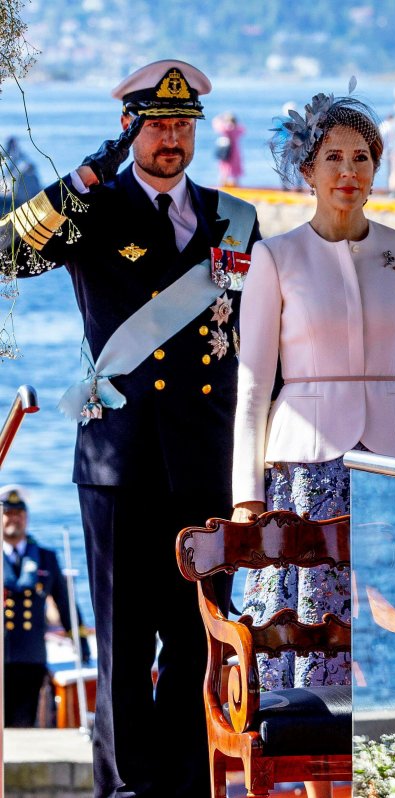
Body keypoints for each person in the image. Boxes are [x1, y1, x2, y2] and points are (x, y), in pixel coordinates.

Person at [0, 59, 260, 796]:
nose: (171, 139)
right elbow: (7, 253)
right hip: (119, 459)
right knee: (120, 637)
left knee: (196, 633)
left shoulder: (231, 219)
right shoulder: (96, 210)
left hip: (206, 456)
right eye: (157, 125)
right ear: (129, 130)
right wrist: (84, 179)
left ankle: (184, 781)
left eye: (182, 126)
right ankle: (123, 789)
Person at [232, 89, 395, 798]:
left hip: (394, 465)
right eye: (333, 158)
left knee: (388, 637)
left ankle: (392, 782)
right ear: (307, 169)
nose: (348, 171)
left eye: (361, 157)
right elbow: (254, 384)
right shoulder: (276, 257)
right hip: (303, 473)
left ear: (378, 167)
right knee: (314, 644)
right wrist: (245, 497)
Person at [2, 484, 91, 728]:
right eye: (8, 513)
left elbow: (65, 605)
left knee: (23, 724)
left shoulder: (45, 557)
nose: (13, 519)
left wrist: (81, 643)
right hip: (1, 654)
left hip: (30, 656)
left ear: (26, 518)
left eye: (18, 514)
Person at [212, 111, 244, 187]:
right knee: (235, 170)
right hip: (235, 151)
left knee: (225, 169)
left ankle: (222, 185)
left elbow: (217, 125)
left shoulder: (227, 128)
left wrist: (220, 118)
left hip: (227, 151)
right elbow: (243, 129)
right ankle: (236, 185)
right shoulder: (237, 130)